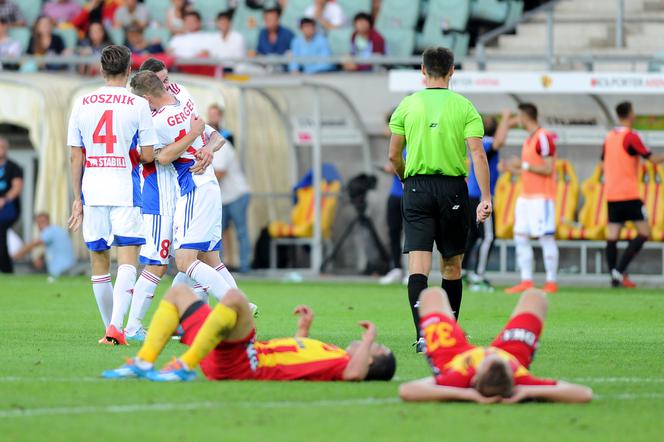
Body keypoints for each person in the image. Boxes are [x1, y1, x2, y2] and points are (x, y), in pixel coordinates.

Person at [388, 47, 491, 351]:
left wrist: (406, 177)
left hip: (416, 187)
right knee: (452, 266)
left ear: (422, 70)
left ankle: (423, 336)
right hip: (453, 190)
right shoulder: (465, 107)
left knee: (418, 266)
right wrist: (485, 197)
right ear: (452, 71)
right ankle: (449, 335)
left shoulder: (407, 105)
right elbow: (477, 153)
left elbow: (393, 155)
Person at [129, 71, 239, 337]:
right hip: (167, 193)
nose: (169, 84)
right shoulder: (175, 103)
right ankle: (139, 325)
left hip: (184, 191)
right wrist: (197, 139)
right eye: (164, 79)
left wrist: (205, 148)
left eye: (168, 78)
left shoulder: (171, 108)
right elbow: (164, 154)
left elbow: (208, 139)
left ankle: (218, 314)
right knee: (187, 259)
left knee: (190, 259)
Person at [102, 284, 396, 382]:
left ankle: (185, 366)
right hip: (231, 356)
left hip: (245, 362)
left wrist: (370, 337)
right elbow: (298, 356)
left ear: (370, 361)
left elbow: (355, 376)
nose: (371, 343)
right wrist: (303, 331)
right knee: (179, 292)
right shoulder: (335, 355)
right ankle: (144, 361)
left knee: (234, 299)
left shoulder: (346, 366)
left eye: (376, 348)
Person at [67, 45, 158, 344]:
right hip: (125, 190)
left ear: (102, 70)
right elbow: (147, 155)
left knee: (99, 262)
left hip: (92, 190)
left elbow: (75, 156)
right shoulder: (138, 105)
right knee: (128, 259)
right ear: (130, 69)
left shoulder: (82, 102)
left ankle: (110, 327)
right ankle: (116, 327)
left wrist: (77, 198)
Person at [399, 287, 592, 403]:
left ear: (474, 381)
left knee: (431, 295)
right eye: (498, 362)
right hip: (512, 353)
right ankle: (453, 326)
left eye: (488, 362)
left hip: (454, 356)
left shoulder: (458, 379)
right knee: (535, 297)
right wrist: (526, 391)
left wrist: (468, 396)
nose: (487, 354)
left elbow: (407, 390)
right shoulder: (521, 380)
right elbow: (584, 394)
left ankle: (452, 327)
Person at [603, 101, 664, 288]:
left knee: (612, 236)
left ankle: (614, 277)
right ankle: (619, 271)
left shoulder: (609, 137)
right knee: (645, 233)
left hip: (611, 193)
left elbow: (602, 162)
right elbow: (652, 159)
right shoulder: (631, 137)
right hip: (629, 194)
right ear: (630, 114)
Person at [504, 103, 559, 295]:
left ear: (525, 117)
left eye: (518, 117)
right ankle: (526, 280)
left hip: (541, 198)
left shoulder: (544, 137)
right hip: (525, 196)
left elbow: (548, 168)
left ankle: (551, 281)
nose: (518, 121)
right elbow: (529, 169)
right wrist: (513, 170)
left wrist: (523, 165)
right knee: (520, 236)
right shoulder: (529, 139)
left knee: (545, 237)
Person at [462, 109, 513, 291]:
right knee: (489, 237)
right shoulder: (488, 142)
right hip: (482, 198)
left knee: (473, 236)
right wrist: (506, 117)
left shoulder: (480, 142)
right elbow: (499, 142)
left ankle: (464, 272)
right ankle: (478, 274)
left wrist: (510, 122)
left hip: (470, 195)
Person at [211, 124, 252, 274]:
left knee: (241, 232)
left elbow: (220, 173)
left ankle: (245, 267)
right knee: (217, 233)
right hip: (223, 198)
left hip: (237, 195)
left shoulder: (222, 145)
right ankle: (218, 267)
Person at [13, 213, 75, 278]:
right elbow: (55, 250)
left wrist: (16, 256)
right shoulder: (56, 230)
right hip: (68, 267)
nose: (40, 225)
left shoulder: (49, 231)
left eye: (42, 222)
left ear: (48, 221)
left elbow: (34, 244)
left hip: (61, 270)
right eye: (38, 222)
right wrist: (41, 258)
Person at [0, 136, 23, 273]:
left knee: (1, 235)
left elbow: (17, 187)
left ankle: (6, 268)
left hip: (8, 209)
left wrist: (4, 200)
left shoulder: (14, 167)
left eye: (2, 147)